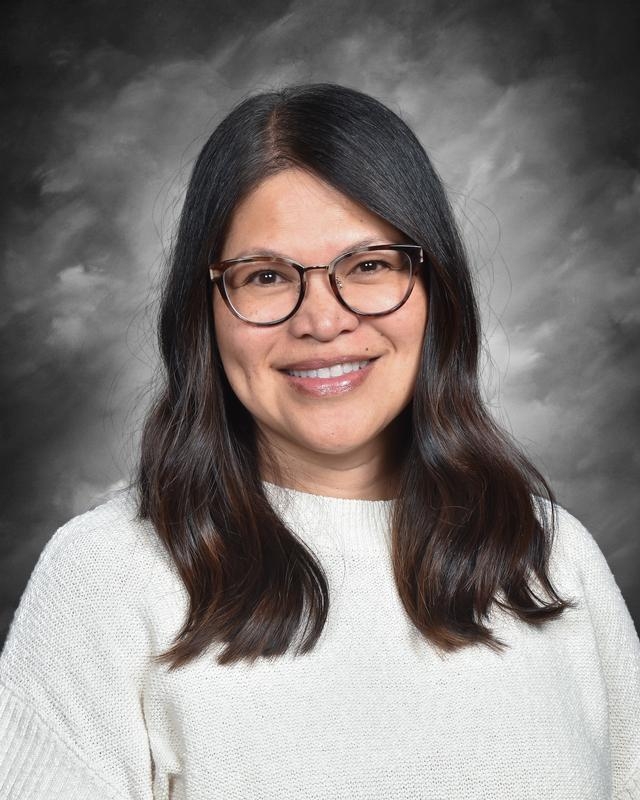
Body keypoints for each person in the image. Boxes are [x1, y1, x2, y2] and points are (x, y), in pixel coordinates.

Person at [0, 83, 638, 799]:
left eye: (369, 266)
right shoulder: (107, 578)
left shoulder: (552, 555)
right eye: (266, 276)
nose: (323, 320)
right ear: (202, 312)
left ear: (435, 289)